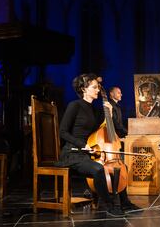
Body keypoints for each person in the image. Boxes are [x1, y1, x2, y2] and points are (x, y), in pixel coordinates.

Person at [55, 73, 136, 216]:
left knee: (121, 167)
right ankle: (110, 205)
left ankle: (125, 202)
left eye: (98, 87)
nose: (98, 90)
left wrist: (110, 114)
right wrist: (81, 144)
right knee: (100, 170)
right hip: (72, 153)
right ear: (83, 89)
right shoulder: (74, 105)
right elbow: (62, 132)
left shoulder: (96, 111)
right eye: (94, 87)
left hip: (89, 154)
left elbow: (113, 128)